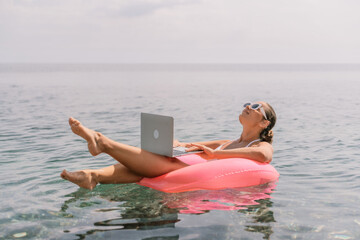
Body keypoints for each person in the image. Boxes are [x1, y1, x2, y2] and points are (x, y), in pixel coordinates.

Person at [60, 101, 277, 190]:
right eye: (247, 103)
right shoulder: (226, 142)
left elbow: (263, 156)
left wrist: (216, 156)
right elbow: (192, 144)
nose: (248, 106)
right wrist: (177, 144)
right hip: (193, 169)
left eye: (255, 106)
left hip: (201, 176)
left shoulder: (261, 144)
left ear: (264, 123)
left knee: (166, 163)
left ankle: (102, 143)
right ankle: (93, 176)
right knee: (162, 157)